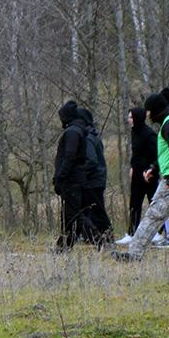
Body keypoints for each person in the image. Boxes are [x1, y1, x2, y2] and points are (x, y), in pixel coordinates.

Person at [113, 92, 169, 261]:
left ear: (156, 110)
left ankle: (133, 254)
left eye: (149, 111)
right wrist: (154, 167)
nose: (147, 115)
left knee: (154, 215)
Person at [53, 100, 96, 250]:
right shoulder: (76, 130)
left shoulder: (72, 132)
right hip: (74, 178)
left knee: (75, 214)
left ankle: (99, 238)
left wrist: (60, 176)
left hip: (71, 179)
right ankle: (64, 245)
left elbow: (69, 156)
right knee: (69, 214)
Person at [76, 107, 112, 243]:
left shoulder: (88, 139)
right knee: (88, 210)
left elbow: (91, 160)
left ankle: (107, 235)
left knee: (96, 211)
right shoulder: (94, 137)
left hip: (93, 181)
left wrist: (81, 173)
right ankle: (89, 236)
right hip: (97, 179)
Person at [125, 106, 158, 235]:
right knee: (134, 204)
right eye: (129, 117)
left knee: (153, 204)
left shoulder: (149, 134)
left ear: (138, 118)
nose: (129, 120)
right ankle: (132, 233)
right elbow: (136, 154)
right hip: (137, 174)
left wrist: (151, 169)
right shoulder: (134, 132)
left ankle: (156, 233)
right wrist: (132, 167)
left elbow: (157, 155)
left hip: (149, 175)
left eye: (131, 117)